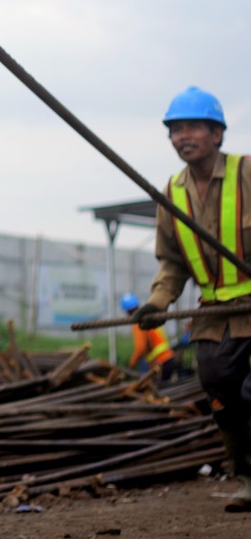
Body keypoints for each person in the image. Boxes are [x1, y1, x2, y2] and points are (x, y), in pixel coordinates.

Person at [131, 86, 251, 513]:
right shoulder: (171, 195)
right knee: (221, 391)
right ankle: (248, 479)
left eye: (193, 127)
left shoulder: (248, 172)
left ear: (217, 134)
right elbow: (172, 266)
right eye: (175, 130)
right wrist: (157, 304)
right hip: (215, 316)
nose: (183, 136)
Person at [119, 292, 176, 380]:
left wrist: (131, 366)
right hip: (167, 359)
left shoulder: (138, 323)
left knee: (154, 391)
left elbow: (141, 348)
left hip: (159, 363)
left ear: (126, 312)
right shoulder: (147, 318)